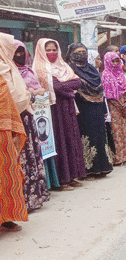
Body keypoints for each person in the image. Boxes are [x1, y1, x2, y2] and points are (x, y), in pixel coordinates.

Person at [2, 36, 48, 211]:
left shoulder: (12, 67)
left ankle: (28, 200)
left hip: (23, 118)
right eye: (11, 49)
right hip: (11, 121)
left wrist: (29, 94)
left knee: (27, 160)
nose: (16, 54)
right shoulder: (3, 68)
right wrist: (31, 94)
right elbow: (16, 97)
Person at [33, 38, 86, 190]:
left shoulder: (63, 65)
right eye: (48, 50)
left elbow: (78, 82)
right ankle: (61, 180)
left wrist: (65, 87)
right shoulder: (40, 68)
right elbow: (57, 88)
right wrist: (68, 88)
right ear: (42, 51)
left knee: (71, 139)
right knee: (59, 141)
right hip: (53, 109)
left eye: (54, 49)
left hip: (68, 107)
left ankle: (72, 176)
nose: (51, 53)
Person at [67, 43, 114, 178]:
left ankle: (103, 167)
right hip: (82, 108)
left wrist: (104, 109)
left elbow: (101, 90)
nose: (81, 54)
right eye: (78, 51)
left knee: (100, 135)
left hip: (98, 108)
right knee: (87, 136)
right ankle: (89, 169)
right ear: (71, 53)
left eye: (84, 51)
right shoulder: (70, 70)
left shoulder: (92, 69)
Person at [0, 74, 28, 232]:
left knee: (5, 178)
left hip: (2, 139)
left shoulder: (1, 82)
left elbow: (9, 109)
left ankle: (6, 217)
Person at [101, 51, 126, 165]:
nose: (115, 63)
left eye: (117, 61)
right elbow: (108, 95)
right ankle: (118, 157)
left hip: (123, 105)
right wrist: (120, 106)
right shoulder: (106, 75)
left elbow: (125, 90)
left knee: (125, 129)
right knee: (116, 131)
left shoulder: (120, 74)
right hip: (113, 107)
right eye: (113, 61)